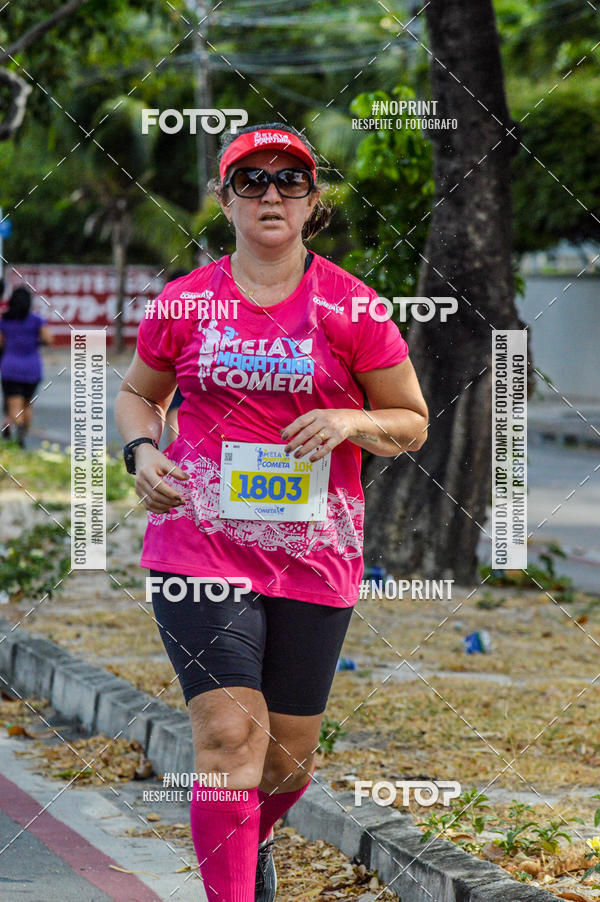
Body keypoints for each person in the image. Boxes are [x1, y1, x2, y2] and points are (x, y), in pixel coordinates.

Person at [115, 122, 429, 902]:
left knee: (285, 762)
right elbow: (136, 394)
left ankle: (249, 839)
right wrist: (141, 452)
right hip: (200, 548)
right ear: (223, 199)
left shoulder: (351, 307)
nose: (270, 194)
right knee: (228, 741)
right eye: (250, 180)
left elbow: (411, 420)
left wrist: (351, 421)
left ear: (311, 199)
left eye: (288, 180)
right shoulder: (185, 304)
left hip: (315, 553)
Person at [0, 285, 53, 446]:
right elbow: (49, 339)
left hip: (11, 367)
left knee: (14, 402)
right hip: (32, 368)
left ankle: (18, 426)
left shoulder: (4, 321)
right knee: (27, 404)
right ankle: (22, 430)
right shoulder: (36, 321)